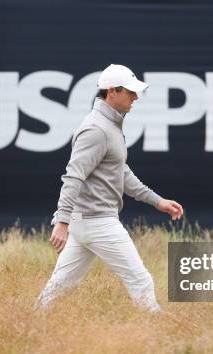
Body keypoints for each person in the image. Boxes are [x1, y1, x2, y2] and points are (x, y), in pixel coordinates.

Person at [35, 64, 184, 312]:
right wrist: (62, 222)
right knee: (141, 280)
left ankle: (32, 322)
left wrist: (158, 202)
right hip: (97, 222)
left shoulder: (110, 126)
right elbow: (73, 176)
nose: (135, 97)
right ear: (112, 92)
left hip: (86, 222)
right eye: (130, 92)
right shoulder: (96, 129)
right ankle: (163, 334)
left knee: (60, 285)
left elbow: (121, 173)